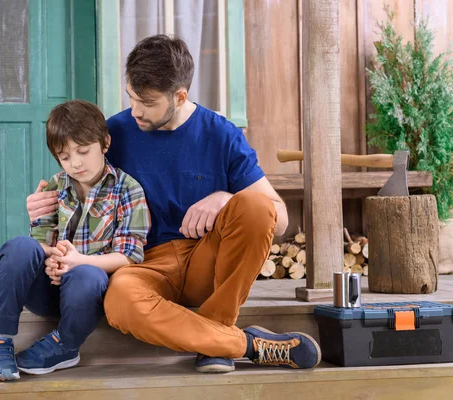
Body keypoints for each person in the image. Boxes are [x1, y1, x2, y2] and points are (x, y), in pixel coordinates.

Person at [26, 35, 321, 373]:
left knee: (256, 205)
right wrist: (44, 206)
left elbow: (278, 218)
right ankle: (239, 344)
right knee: (120, 302)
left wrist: (225, 199)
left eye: (147, 102)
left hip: (206, 263)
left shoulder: (222, 134)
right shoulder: (116, 132)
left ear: (180, 96)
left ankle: (218, 324)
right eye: (131, 97)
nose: (135, 110)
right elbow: (74, 182)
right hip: (141, 266)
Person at [0, 100, 151, 381]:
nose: (76, 163)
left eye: (84, 151)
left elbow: (130, 255)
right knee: (21, 247)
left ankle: (65, 345)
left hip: (87, 295)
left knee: (87, 274)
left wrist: (77, 261)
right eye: (65, 156)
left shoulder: (128, 190)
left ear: (105, 143)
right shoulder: (55, 187)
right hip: (48, 290)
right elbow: (40, 241)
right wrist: (53, 258)